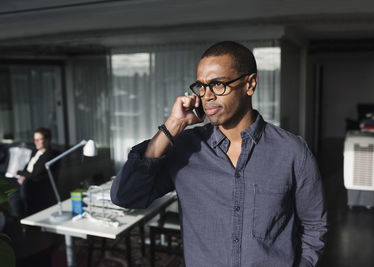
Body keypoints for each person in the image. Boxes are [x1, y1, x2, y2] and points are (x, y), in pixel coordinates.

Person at [111, 41, 327, 267]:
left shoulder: (292, 152)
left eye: (217, 84)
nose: (207, 96)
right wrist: (172, 126)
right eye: (201, 86)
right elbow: (125, 196)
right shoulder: (186, 150)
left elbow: (314, 226)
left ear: (250, 84)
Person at [9, 127, 58, 216]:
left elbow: (36, 173)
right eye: (35, 140)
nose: (36, 142)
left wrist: (21, 175)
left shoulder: (48, 155)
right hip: (25, 179)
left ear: (47, 140)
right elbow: (27, 168)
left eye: (39, 139)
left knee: (12, 195)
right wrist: (21, 175)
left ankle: (17, 221)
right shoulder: (36, 152)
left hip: (32, 184)